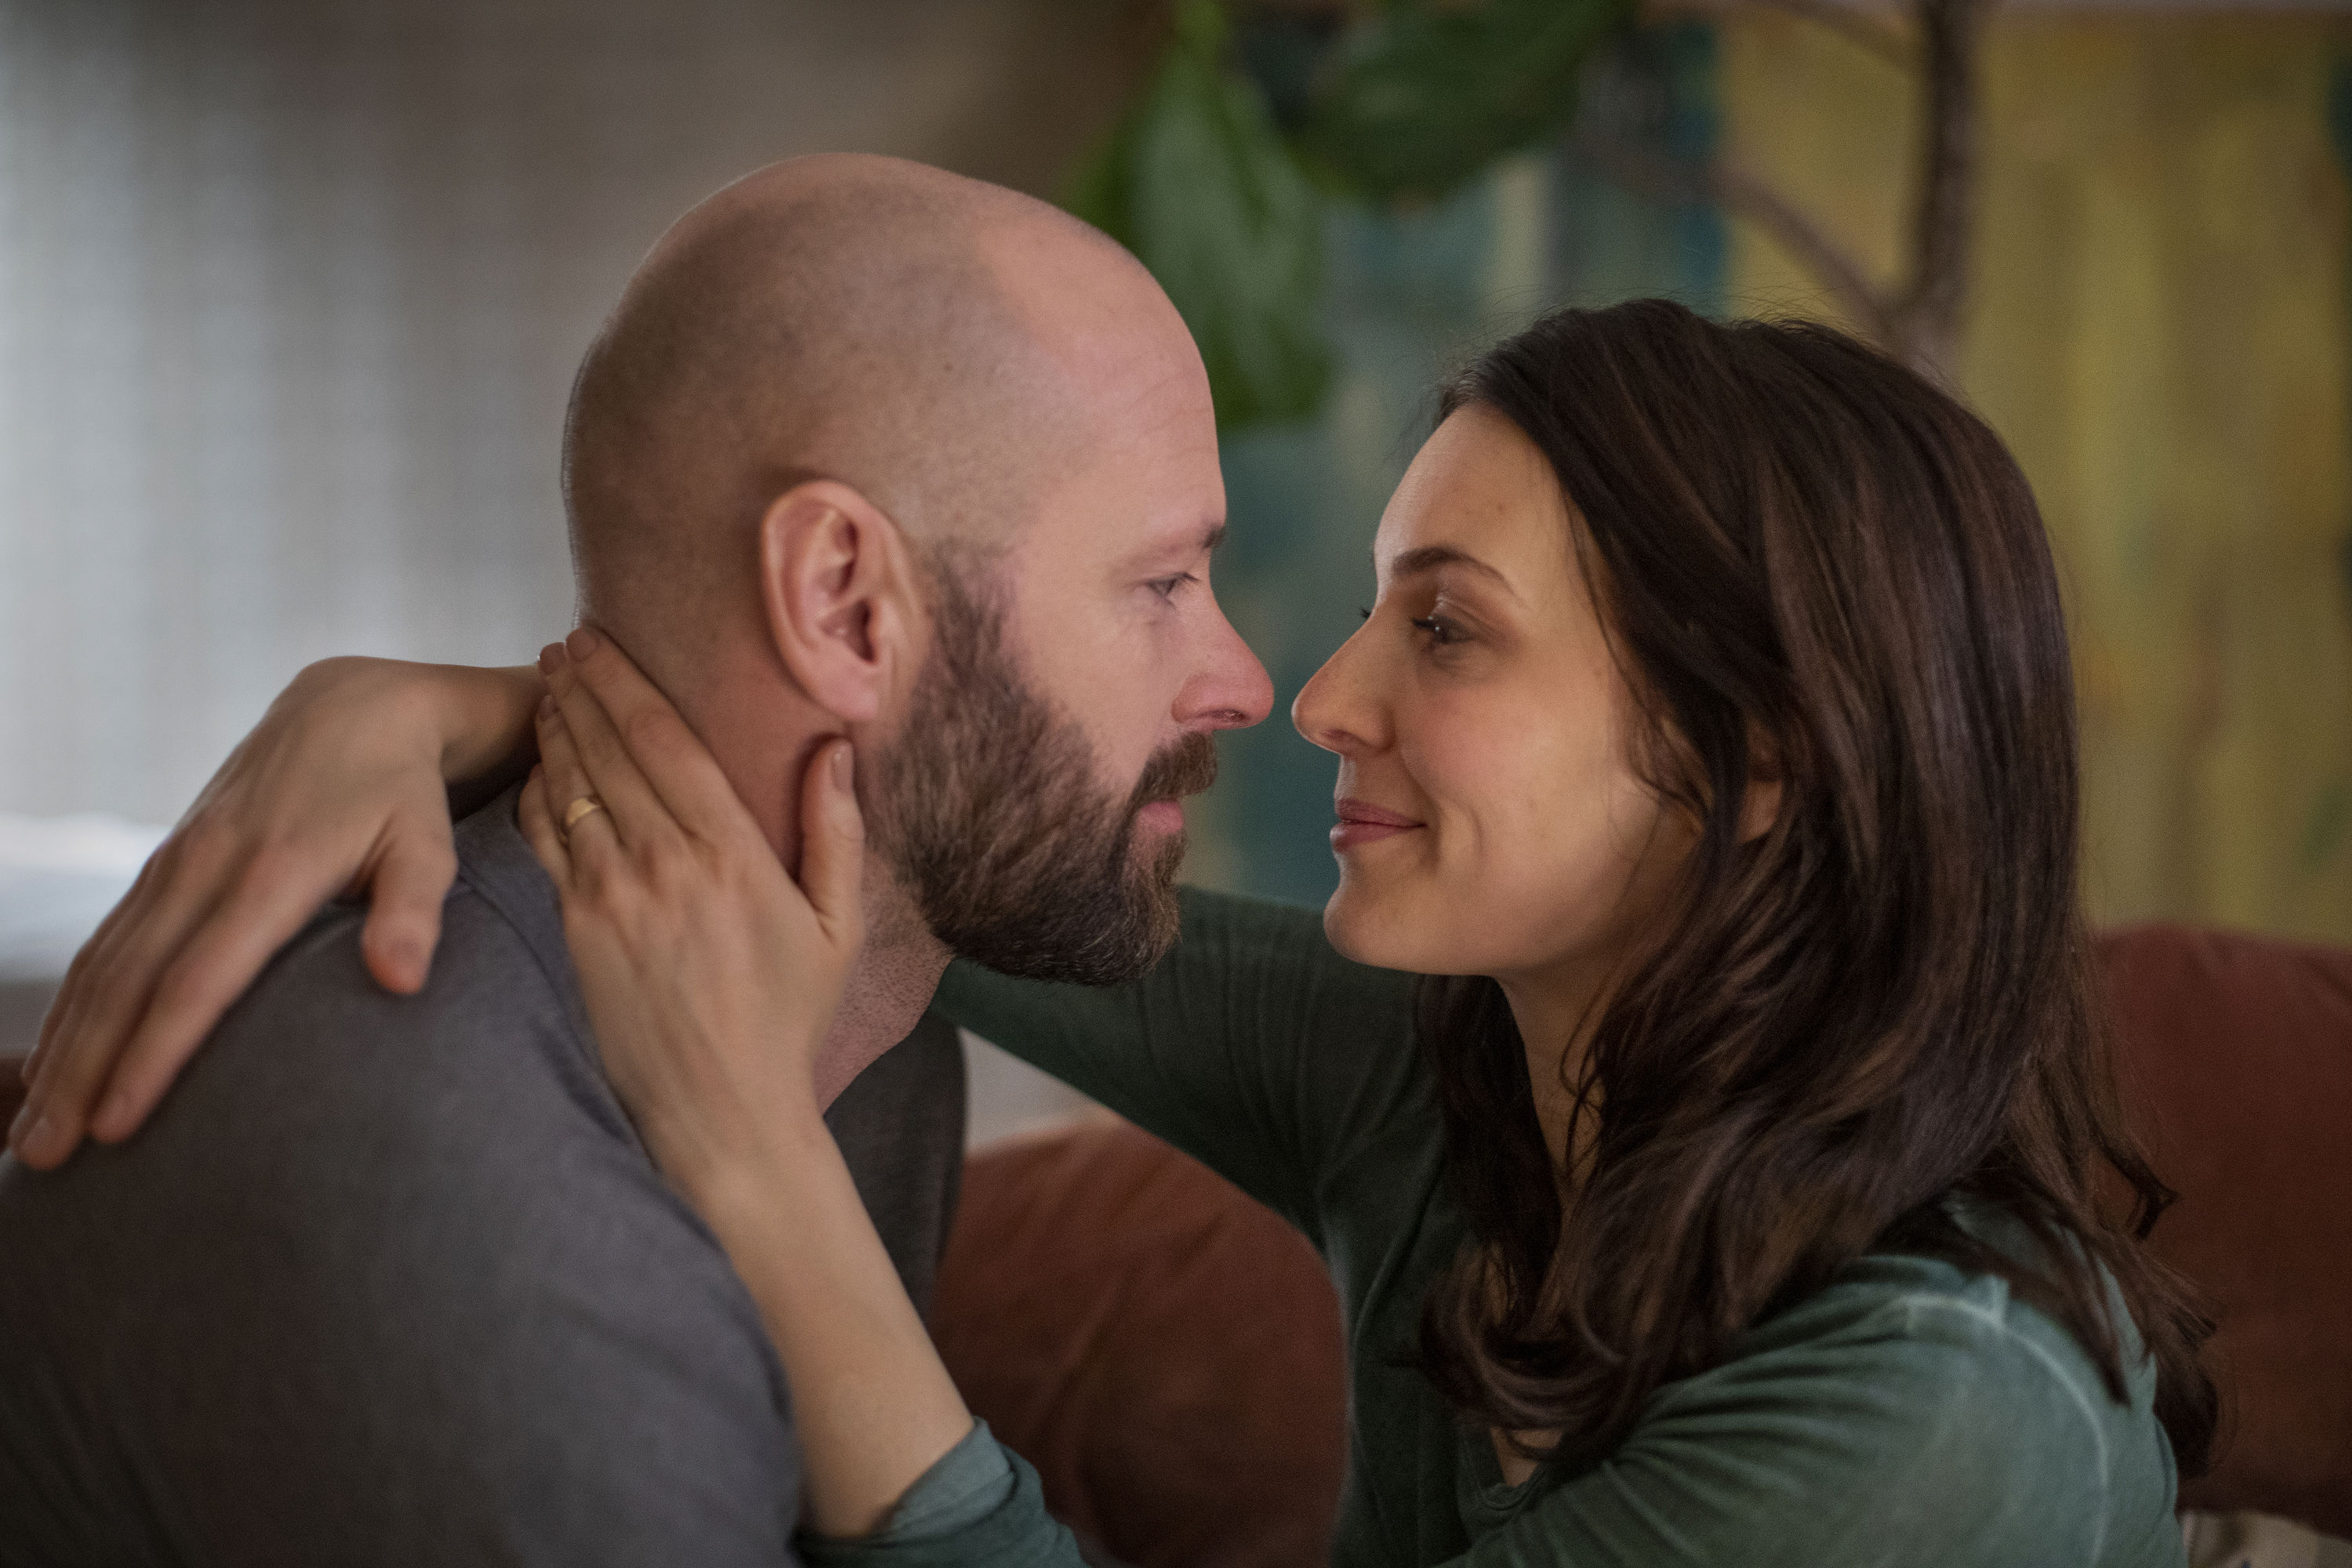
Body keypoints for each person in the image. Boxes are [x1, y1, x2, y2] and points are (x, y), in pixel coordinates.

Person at [19, 301, 2215, 1566]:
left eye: (1445, 629)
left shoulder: (1942, 1433)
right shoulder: (1470, 1080)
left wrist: (765, 1186)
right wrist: (476, 701)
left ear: (1760, 764)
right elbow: (949, 858)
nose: (1312, 691)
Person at [0, 151, 1266, 1565]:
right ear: (845, 605)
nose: (1245, 679)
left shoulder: (876, 1039)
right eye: (1162, 582)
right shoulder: (500, 1257)